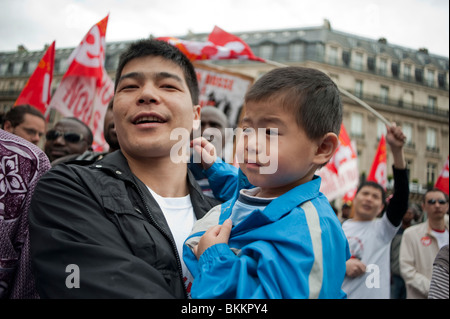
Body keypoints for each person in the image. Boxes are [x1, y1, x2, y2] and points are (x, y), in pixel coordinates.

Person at [28, 39, 221, 298]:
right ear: (114, 112)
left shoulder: (226, 214)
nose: (147, 95)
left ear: (196, 115)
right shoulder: (67, 189)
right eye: (130, 87)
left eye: (168, 86)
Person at [183, 66, 350, 299]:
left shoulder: (313, 230)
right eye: (247, 128)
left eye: (270, 131)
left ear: (322, 148)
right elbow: (240, 189)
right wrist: (213, 166)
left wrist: (214, 257)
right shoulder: (264, 187)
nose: (251, 143)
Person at [341, 123, 409, 299]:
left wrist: (396, 151)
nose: (369, 198)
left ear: (381, 207)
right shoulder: (338, 228)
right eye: (365, 194)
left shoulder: (383, 229)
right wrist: (343, 266)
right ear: (355, 199)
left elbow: (401, 197)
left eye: (375, 196)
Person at [0, 129, 51, 298]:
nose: (37, 137)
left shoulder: (30, 162)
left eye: (41, 133)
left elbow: (27, 280)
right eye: (31, 131)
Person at [399, 188, 449, 299]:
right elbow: (407, 270)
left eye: (441, 202)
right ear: (424, 206)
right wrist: (436, 288)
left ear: (447, 206)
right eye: (431, 201)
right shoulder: (411, 234)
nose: (437, 205)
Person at [189, 105, 229, 198]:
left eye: (214, 125)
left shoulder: (238, 183)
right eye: (200, 124)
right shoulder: (175, 177)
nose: (206, 131)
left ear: (227, 135)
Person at [390, 203, 418, 299]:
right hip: (395, 274)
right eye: (406, 213)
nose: (408, 215)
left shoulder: (416, 232)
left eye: (410, 213)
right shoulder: (394, 230)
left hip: (410, 276)